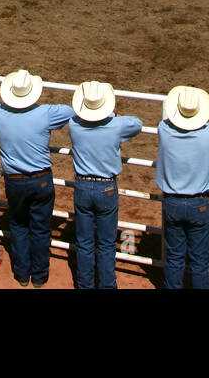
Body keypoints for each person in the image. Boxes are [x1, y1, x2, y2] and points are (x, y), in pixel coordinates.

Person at [0, 69, 73, 288]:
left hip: (15, 180)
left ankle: (21, 274)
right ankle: (39, 275)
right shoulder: (45, 113)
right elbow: (70, 111)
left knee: (19, 224)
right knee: (41, 226)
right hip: (41, 179)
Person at [68, 81, 142, 289]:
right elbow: (137, 123)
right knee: (107, 243)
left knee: (84, 242)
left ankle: (85, 284)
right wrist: (115, 115)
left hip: (82, 185)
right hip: (106, 187)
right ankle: (108, 285)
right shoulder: (116, 126)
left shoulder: (75, 125)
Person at [155, 86, 209, 289]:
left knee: (174, 257)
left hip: (173, 202)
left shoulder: (165, 130)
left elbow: (166, 123)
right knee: (199, 260)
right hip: (199, 203)